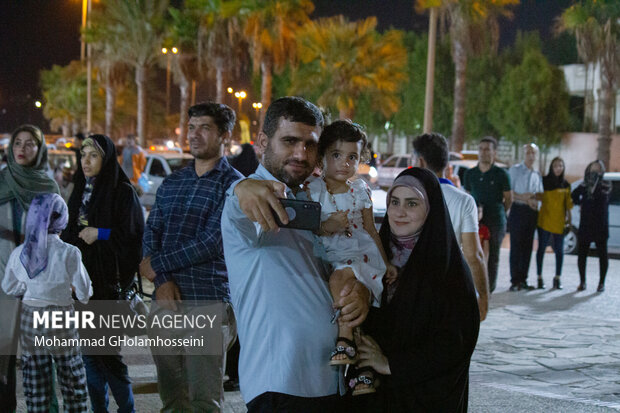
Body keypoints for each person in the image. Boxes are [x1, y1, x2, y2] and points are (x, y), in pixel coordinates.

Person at [221, 96, 371, 412]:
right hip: (280, 385)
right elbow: (239, 209)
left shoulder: (316, 201)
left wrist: (360, 291)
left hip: (331, 381)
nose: (301, 154)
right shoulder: (250, 200)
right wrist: (240, 189)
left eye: (310, 144)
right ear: (262, 142)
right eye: (289, 141)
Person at [139, 102, 241, 412]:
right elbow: (152, 230)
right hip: (165, 299)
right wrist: (163, 280)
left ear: (225, 135)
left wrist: (156, 265)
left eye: (205, 128)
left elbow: (212, 242)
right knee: (171, 396)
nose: (194, 135)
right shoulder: (173, 182)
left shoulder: (234, 185)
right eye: (192, 128)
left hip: (207, 300)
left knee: (204, 399)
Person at [353, 167, 480, 412]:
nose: (400, 212)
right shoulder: (375, 258)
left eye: (412, 204)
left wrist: (392, 365)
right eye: (394, 202)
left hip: (426, 397)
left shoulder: (448, 268)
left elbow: (456, 342)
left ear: (430, 210)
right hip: (376, 397)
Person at [61, 134, 144, 413]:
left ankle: (127, 409)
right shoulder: (80, 189)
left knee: (108, 356)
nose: (86, 161)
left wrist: (101, 233)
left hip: (107, 286)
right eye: (83, 154)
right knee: (89, 357)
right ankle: (99, 409)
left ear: (106, 158)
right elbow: (69, 234)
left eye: (93, 155)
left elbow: (132, 236)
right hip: (80, 286)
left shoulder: (122, 191)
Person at [304, 120, 394, 365]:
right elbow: (307, 228)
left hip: (361, 253)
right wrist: (326, 226)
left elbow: (371, 231)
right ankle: (357, 348)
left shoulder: (360, 190)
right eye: (336, 155)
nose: (344, 163)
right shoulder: (313, 189)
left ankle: (344, 338)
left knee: (344, 281)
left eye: (352, 157)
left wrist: (387, 263)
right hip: (329, 254)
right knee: (347, 287)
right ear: (323, 155)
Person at [2, 193, 92, 412]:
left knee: (35, 380)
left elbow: (9, 287)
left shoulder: (19, 254)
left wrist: (28, 287)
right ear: (62, 220)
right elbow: (84, 293)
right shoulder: (70, 253)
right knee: (72, 378)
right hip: (62, 316)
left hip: (30, 317)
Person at [0, 124, 59, 411]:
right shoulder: (0, 182)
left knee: (39, 358)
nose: (22, 149)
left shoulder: (48, 188)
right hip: (1, 283)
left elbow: (54, 241)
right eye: (18, 143)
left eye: (30, 144)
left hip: (38, 286)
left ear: (40, 149)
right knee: (2, 358)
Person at [412, 132, 488, 321]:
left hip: (413, 288)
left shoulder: (405, 199)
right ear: (446, 164)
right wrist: (484, 296)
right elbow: (474, 255)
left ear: (420, 162)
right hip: (450, 289)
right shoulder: (464, 201)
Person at [463, 136, 511, 293]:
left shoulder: (502, 174)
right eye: (481, 149)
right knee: (473, 253)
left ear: (494, 152)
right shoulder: (470, 174)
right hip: (475, 220)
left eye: (487, 149)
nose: (483, 152)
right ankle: (473, 286)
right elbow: (467, 196)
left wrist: (500, 212)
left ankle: (488, 289)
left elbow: (509, 199)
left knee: (494, 255)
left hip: (496, 218)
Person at [507, 143, 543, 291]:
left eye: (533, 153)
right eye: (528, 152)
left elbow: (539, 194)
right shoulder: (515, 170)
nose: (531, 155)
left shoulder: (537, 173)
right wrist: (525, 198)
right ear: (523, 154)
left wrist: (534, 202)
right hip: (518, 210)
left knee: (528, 247)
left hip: (531, 213)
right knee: (516, 246)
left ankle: (523, 279)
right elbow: (510, 193)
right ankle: (514, 280)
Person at [571, 160, 611, 292]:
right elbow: (574, 195)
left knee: (602, 255)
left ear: (602, 171)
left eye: (598, 169)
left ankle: (601, 283)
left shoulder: (606, 184)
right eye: (593, 169)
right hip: (586, 224)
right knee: (582, 254)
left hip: (600, 224)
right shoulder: (584, 184)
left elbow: (603, 197)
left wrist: (594, 185)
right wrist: (580, 201)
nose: (595, 172)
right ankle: (582, 282)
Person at [535, 157, 572, 290]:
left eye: (561, 166)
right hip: (544, 221)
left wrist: (569, 220)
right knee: (541, 249)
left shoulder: (566, 184)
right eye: (556, 165)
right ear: (552, 167)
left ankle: (557, 278)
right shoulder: (544, 181)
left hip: (559, 222)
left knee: (559, 251)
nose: (558, 168)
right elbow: (537, 196)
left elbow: (568, 205)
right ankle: (539, 278)